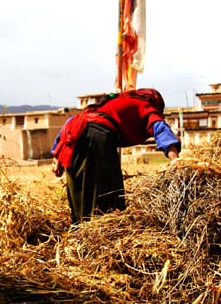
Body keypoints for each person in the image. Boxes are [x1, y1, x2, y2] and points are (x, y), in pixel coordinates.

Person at [51, 88, 180, 223]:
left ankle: (81, 231)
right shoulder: (144, 105)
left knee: (79, 190)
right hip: (96, 137)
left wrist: (57, 155)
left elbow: (71, 122)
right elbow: (159, 127)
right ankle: (102, 233)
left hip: (71, 139)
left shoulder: (109, 104)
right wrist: (176, 159)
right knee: (108, 191)